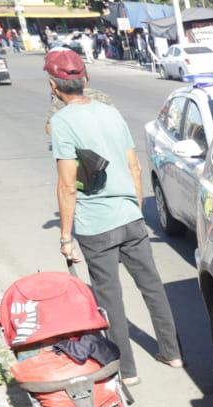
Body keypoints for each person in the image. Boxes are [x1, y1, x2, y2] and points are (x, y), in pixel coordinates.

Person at [46, 49, 181, 386]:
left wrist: (66, 237)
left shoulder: (61, 122)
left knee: (109, 299)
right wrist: (134, 208)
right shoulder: (111, 113)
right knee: (152, 287)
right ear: (85, 79)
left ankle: (128, 370)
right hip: (130, 217)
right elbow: (134, 166)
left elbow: (67, 184)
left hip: (96, 224)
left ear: (53, 85)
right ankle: (173, 352)